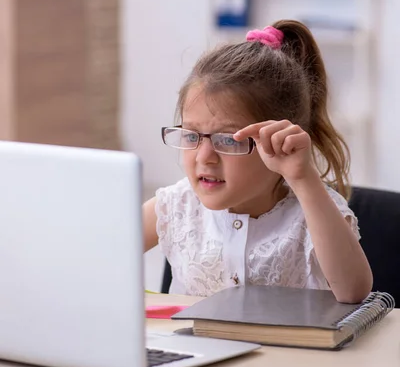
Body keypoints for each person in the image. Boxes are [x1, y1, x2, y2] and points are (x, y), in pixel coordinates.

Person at [143, 20, 372, 303]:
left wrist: (303, 178)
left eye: (229, 139)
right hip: (196, 348)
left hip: (290, 349)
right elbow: (96, 253)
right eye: (191, 135)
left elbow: (354, 292)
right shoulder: (176, 205)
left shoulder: (312, 211)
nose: (204, 157)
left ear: (280, 141)